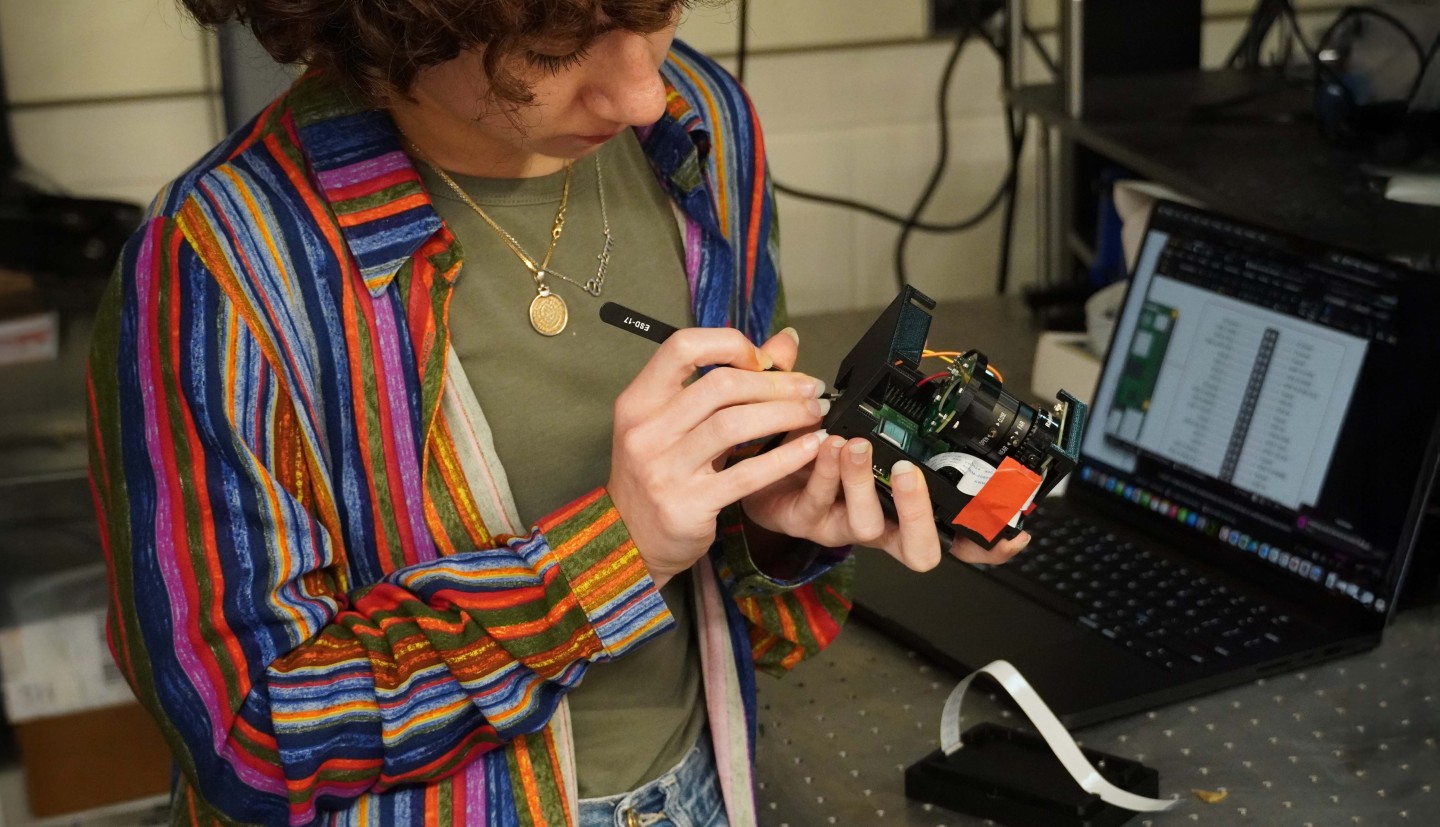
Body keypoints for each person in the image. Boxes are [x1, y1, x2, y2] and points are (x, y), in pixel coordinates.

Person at [86, 1, 1030, 825]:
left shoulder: (702, 127)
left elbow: (733, 581)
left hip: (702, 785)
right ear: (393, 19)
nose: (637, 97)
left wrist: (771, 521)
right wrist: (612, 554)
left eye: (660, 8)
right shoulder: (217, 268)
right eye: (548, 47)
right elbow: (248, 740)